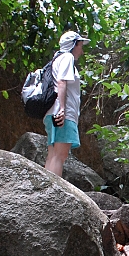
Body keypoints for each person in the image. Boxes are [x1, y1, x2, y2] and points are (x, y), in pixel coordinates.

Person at [43, 29, 90, 177]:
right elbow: (61, 82)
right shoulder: (67, 57)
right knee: (60, 155)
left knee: (53, 154)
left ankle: (48, 191)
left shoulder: (56, 59)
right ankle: (54, 195)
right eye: (80, 46)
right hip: (63, 113)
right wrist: (62, 109)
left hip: (52, 112)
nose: (81, 51)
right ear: (74, 45)